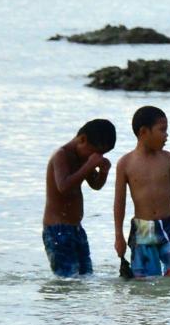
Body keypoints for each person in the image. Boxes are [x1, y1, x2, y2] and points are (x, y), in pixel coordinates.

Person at [113, 106, 170, 279]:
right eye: (162, 130)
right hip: (144, 227)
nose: (166, 135)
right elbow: (120, 202)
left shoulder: (167, 158)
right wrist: (119, 235)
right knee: (145, 279)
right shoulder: (125, 163)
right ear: (143, 132)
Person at [42, 118, 116, 277]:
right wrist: (89, 165)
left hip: (76, 228)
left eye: (102, 154)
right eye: (96, 152)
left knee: (85, 275)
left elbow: (95, 185)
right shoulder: (61, 156)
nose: (97, 157)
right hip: (57, 230)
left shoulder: (83, 157)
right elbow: (64, 187)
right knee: (67, 278)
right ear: (82, 139)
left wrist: (103, 172)